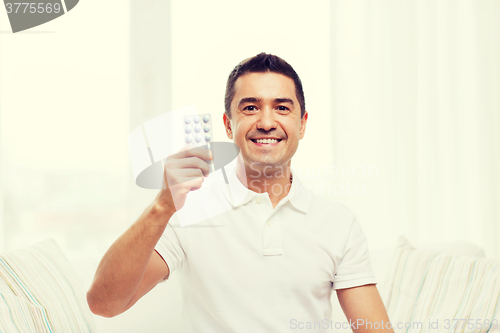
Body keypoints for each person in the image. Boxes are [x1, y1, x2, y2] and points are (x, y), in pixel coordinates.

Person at [87, 53, 394, 332]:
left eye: (282, 108)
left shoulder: (338, 222)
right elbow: (104, 304)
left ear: (302, 124)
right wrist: (161, 207)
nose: (266, 122)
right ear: (228, 125)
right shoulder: (189, 210)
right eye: (250, 107)